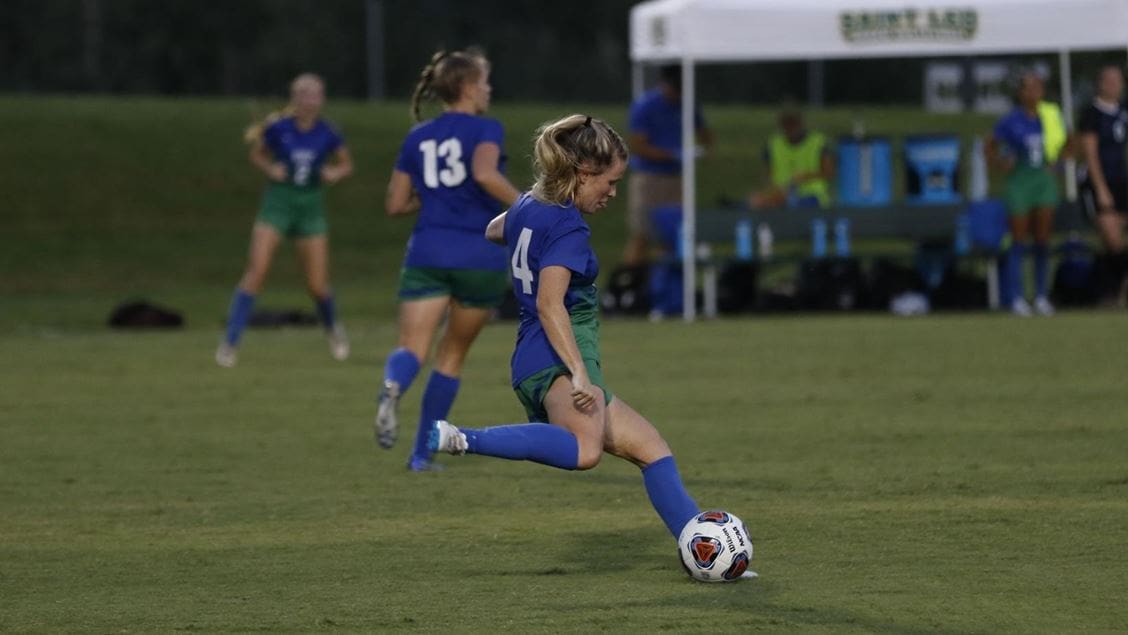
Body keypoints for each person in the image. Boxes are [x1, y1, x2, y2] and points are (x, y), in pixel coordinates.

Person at [425, 114, 706, 546]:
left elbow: (494, 229)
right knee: (585, 451)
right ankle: (464, 439)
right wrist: (577, 373)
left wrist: (528, 227)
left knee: (652, 449)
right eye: (610, 182)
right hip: (555, 356)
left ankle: (701, 545)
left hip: (533, 354)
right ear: (584, 172)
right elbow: (549, 303)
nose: (613, 193)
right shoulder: (568, 227)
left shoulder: (529, 205)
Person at [376, 49, 521, 471]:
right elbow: (484, 173)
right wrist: (528, 205)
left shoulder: (417, 137)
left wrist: (435, 195)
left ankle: (392, 385)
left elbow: (396, 204)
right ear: (469, 87)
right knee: (452, 355)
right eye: (485, 82)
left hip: (428, 250)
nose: (489, 90)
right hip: (479, 254)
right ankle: (421, 455)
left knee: (411, 347)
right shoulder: (487, 128)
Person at [216, 73, 353, 367]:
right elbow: (257, 155)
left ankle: (333, 329)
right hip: (278, 204)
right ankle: (230, 343)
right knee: (256, 272)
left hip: (310, 208)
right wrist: (271, 169)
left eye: (316, 95)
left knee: (317, 285)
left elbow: (346, 165)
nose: (311, 101)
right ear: (295, 98)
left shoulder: (328, 132)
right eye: (305, 95)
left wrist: (333, 173)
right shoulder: (279, 128)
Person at [986, 69, 1070, 317]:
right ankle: (1016, 297)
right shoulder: (1011, 121)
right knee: (1018, 239)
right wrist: (1001, 163)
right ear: (1021, 93)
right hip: (1020, 180)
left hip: (1043, 180)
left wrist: (1059, 165)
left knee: (1042, 239)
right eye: (1028, 88)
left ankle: (1041, 295)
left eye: (1037, 88)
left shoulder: (1051, 116)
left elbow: (1069, 142)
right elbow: (990, 146)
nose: (1033, 93)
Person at [622, 65, 712, 266]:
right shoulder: (646, 106)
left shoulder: (687, 105)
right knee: (642, 234)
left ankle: (663, 279)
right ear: (664, 84)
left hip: (676, 177)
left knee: (673, 235)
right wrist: (671, 155)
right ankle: (629, 277)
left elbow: (704, 133)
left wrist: (700, 150)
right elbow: (638, 145)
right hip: (649, 177)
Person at [1078, 65, 1128, 302]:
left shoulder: (1123, 110)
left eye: (1117, 80)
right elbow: (1090, 154)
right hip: (1100, 182)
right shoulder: (1091, 114)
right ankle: (1109, 289)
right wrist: (1100, 189)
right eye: (1108, 80)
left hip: (1121, 180)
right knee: (1112, 238)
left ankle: (1114, 288)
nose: (1113, 85)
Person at [750, 108, 834, 209]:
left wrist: (807, 176)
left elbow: (828, 173)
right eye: (787, 124)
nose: (791, 128)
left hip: (813, 196)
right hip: (780, 195)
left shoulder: (818, 142)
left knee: (790, 204)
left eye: (794, 123)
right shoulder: (773, 145)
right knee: (756, 201)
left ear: (801, 124)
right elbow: (767, 177)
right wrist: (772, 192)